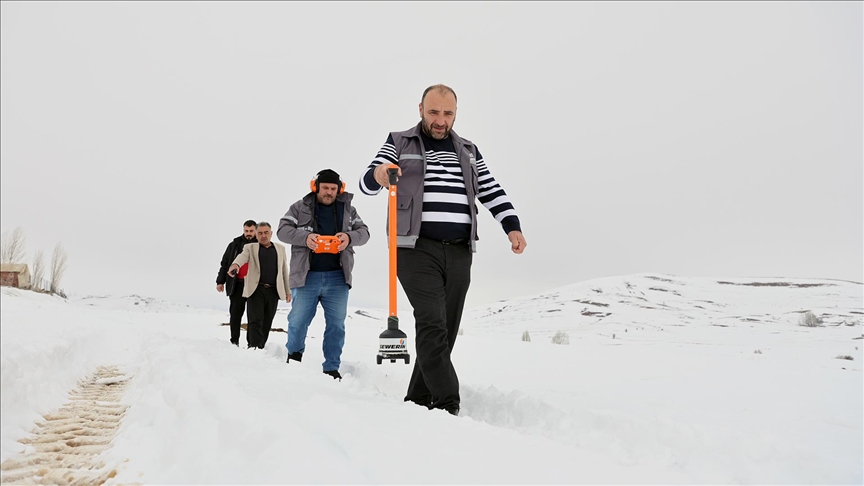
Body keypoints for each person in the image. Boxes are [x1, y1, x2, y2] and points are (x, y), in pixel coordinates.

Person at [358, 84, 527, 416]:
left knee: (444, 329)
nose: (440, 120)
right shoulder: (399, 141)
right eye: (434, 112)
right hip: (414, 248)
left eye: (447, 113)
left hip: (460, 250)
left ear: (455, 113)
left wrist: (513, 226)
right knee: (432, 322)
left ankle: (418, 399)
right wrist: (381, 174)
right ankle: (448, 404)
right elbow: (367, 180)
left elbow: (491, 190)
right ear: (420, 109)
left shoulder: (468, 150)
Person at [277, 169, 370, 380]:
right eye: (325, 188)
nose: (329, 192)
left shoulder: (349, 210)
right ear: (316, 187)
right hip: (306, 277)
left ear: (340, 189)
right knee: (298, 321)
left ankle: (331, 368)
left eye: (333, 189)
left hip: (338, 278)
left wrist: (348, 237)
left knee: (336, 325)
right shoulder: (299, 208)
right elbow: (282, 230)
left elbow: (364, 233)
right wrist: (305, 238)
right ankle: (294, 355)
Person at [227, 222, 290, 349]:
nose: (263, 236)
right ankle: (254, 347)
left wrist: (288, 291)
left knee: (267, 321)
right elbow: (242, 257)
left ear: (271, 233)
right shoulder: (250, 248)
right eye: (260, 233)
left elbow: (284, 271)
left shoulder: (280, 249)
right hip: (255, 290)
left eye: (266, 232)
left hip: (273, 291)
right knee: (255, 320)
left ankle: (261, 346)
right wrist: (235, 265)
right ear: (256, 234)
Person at [216, 220, 258, 347]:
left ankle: (252, 344)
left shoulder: (260, 245)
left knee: (254, 316)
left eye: (251, 231)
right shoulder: (234, 245)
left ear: (255, 230)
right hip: (236, 285)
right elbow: (225, 263)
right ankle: (234, 342)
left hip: (253, 285)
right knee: (235, 315)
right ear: (243, 230)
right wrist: (220, 281)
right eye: (246, 231)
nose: (249, 233)